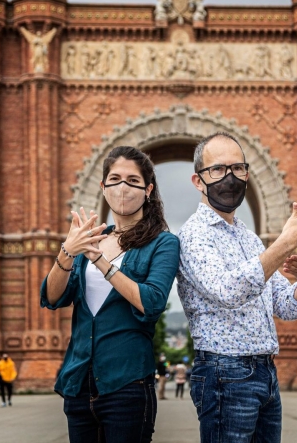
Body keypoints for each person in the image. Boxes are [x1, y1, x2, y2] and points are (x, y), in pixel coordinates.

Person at [177, 132, 297, 443]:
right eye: (218, 169)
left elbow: (284, 305)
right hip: (225, 373)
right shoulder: (194, 235)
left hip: (265, 372)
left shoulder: (249, 237)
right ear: (198, 181)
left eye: (237, 168)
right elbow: (228, 291)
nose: (229, 177)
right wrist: (283, 244)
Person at [41, 146, 180, 443]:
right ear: (104, 187)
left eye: (132, 180)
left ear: (148, 189)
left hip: (127, 383)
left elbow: (152, 302)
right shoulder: (89, 240)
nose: (123, 187)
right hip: (79, 384)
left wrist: (101, 262)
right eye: (115, 179)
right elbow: (52, 298)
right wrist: (68, 251)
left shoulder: (163, 243)